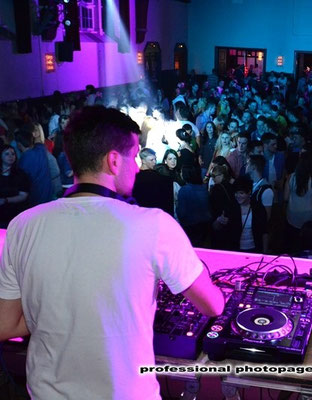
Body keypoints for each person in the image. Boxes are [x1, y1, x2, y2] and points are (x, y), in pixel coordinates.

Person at [0, 106, 224, 399]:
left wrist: (59, 314)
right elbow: (213, 306)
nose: (137, 167)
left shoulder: (22, 226)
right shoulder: (154, 224)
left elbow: (6, 324)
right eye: (135, 156)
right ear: (114, 161)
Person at [0, 145, 30, 228]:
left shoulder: (20, 174)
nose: (11, 156)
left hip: (15, 213)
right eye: (7, 154)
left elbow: (23, 195)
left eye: (13, 154)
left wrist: (6, 200)